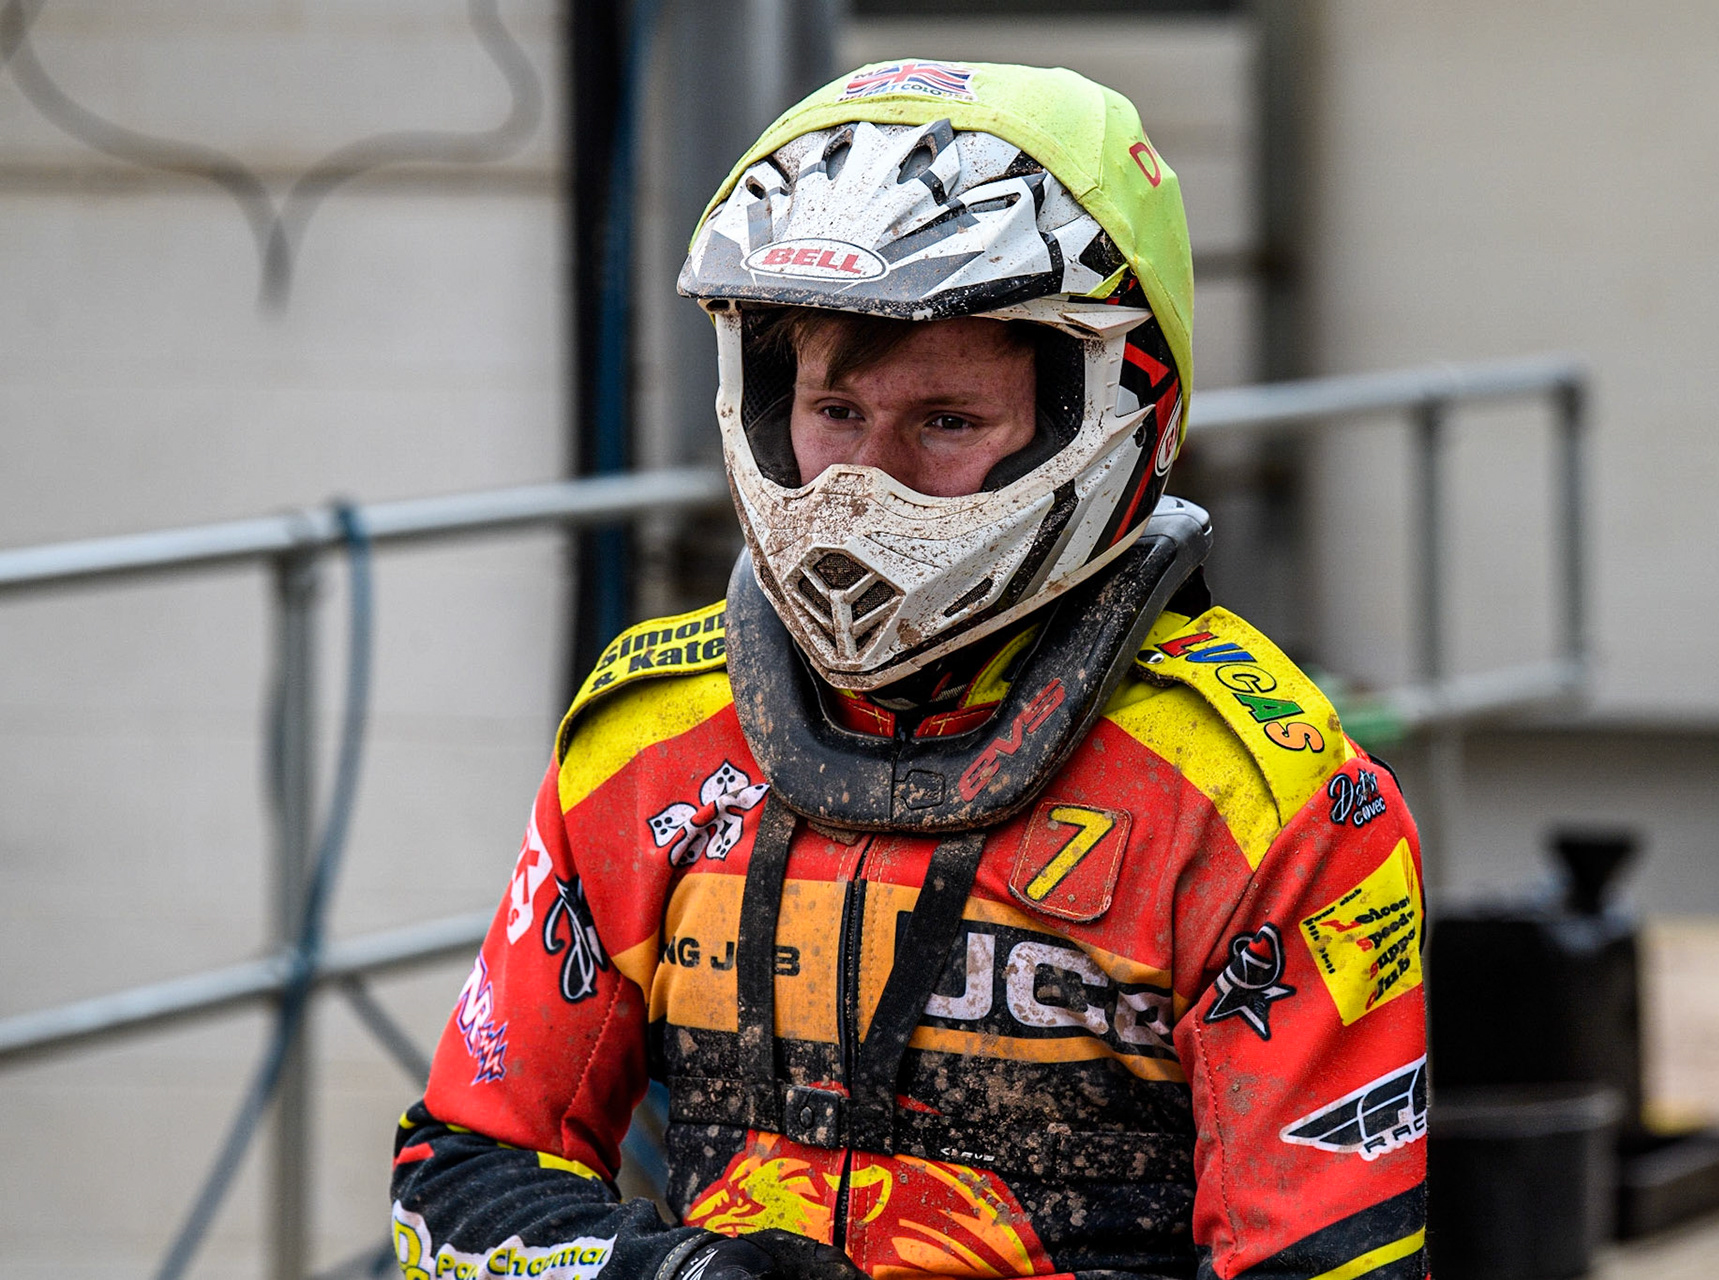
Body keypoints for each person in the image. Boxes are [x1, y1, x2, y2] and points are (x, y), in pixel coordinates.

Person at [391, 60, 1428, 1280]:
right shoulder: (651, 733)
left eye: (945, 420)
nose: (858, 485)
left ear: (1115, 410)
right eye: (834, 411)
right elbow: (454, 1184)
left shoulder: (1267, 803)